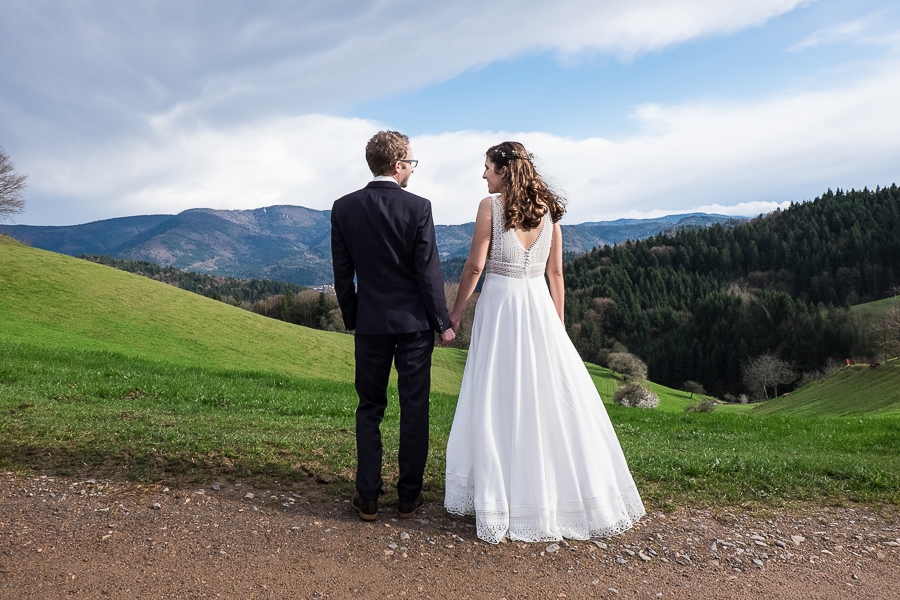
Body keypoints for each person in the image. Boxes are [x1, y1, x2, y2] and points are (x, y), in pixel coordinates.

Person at [444, 141, 645, 544]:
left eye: (487, 168)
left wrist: (454, 315)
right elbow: (556, 276)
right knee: (546, 399)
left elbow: (475, 266)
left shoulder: (490, 208)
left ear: (504, 170)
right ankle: (550, 495)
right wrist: (558, 326)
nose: (483, 175)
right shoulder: (549, 213)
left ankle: (502, 495)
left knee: (496, 397)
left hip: (500, 307)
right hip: (538, 307)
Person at [332, 130, 456, 522]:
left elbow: (342, 274)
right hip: (414, 326)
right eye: (411, 164)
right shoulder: (419, 208)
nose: (412, 170)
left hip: (370, 324)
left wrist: (354, 317)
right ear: (397, 165)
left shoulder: (343, 207)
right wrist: (443, 322)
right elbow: (428, 273)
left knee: (369, 406)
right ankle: (408, 498)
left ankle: (367, 496)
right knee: (414, 408)